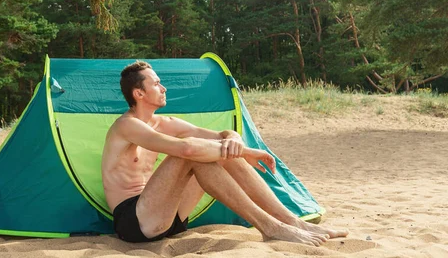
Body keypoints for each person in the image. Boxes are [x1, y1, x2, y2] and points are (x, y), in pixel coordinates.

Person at [101, 60, 348, 245]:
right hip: (135, 222)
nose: (163, 87)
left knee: (207, 152)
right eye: (156, 83)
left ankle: (291, 221)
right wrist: (241, 152)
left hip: (170, 217)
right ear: (139, 93)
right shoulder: (127, 126)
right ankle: (270, 227)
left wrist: (236, 140)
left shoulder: (166, 122)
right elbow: (186, 148)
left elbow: (222, 135)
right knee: (191, 152)